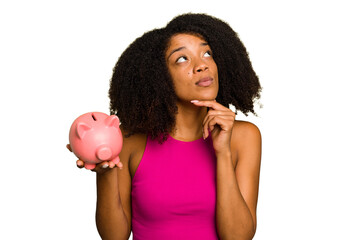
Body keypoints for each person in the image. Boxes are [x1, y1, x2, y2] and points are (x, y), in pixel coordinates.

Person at [68, 13, 262, 240]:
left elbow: (239, 237)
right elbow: (114, 237)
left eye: (207, 53)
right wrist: (105, 173)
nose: (202, 66)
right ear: (159, 76)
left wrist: (223, 152)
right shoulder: (129, 139)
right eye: (182, 59)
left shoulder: (244, 137)